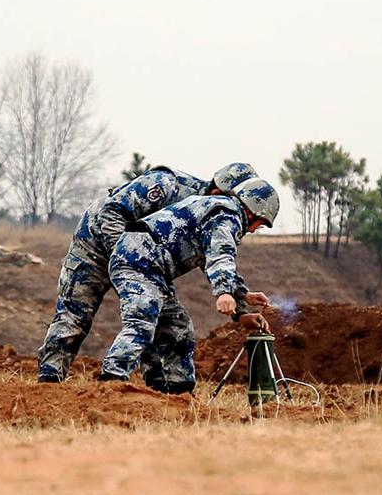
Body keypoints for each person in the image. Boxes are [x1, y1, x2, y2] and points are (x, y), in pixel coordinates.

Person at [36, 163, 259, 383]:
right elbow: (110, 213)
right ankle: (50, 379)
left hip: (143, 261)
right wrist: (129, 260)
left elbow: (213, 255)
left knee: (165, 319)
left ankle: (159, 385)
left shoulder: (209, 211)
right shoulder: (167, 184)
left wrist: (239, 307)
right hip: (93, 249)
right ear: (222, 191)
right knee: (74, 315)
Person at [99, 178, 280, 394]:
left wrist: (242, 299)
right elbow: (221, 256)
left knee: (177, 326)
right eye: (260, 223)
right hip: (136, 261)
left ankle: (175, 392)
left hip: (151, 268)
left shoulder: (218, 211)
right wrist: (223, 292)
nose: (255, 229)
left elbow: (210, 256)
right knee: (142, 320)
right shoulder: (226, 215)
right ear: (252, 211)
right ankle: (109, 383)